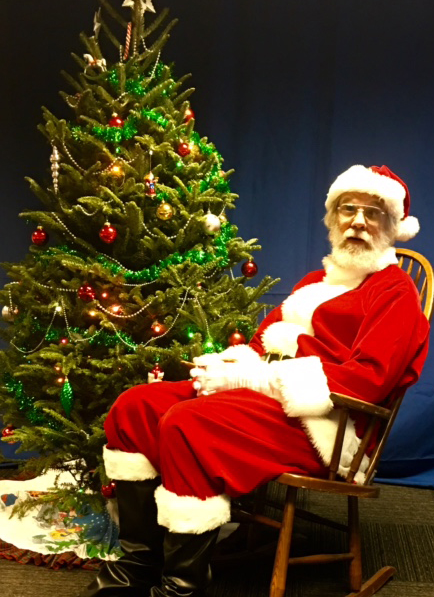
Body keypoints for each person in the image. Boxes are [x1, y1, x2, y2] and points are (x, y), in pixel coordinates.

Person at [81, 164, 430, 597]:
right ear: (333, 218)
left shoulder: (395, 294)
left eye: (373, 212)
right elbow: (263, 342)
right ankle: (138, 566)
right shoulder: (316, 282)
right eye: (347, 208)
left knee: (188, 423)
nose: (357, 221)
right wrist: (230, 367)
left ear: (394, 226)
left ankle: (182, 586)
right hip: (272, 399)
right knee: (136, 405)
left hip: (327, 424)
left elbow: (366, 383)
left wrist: (259, 377)